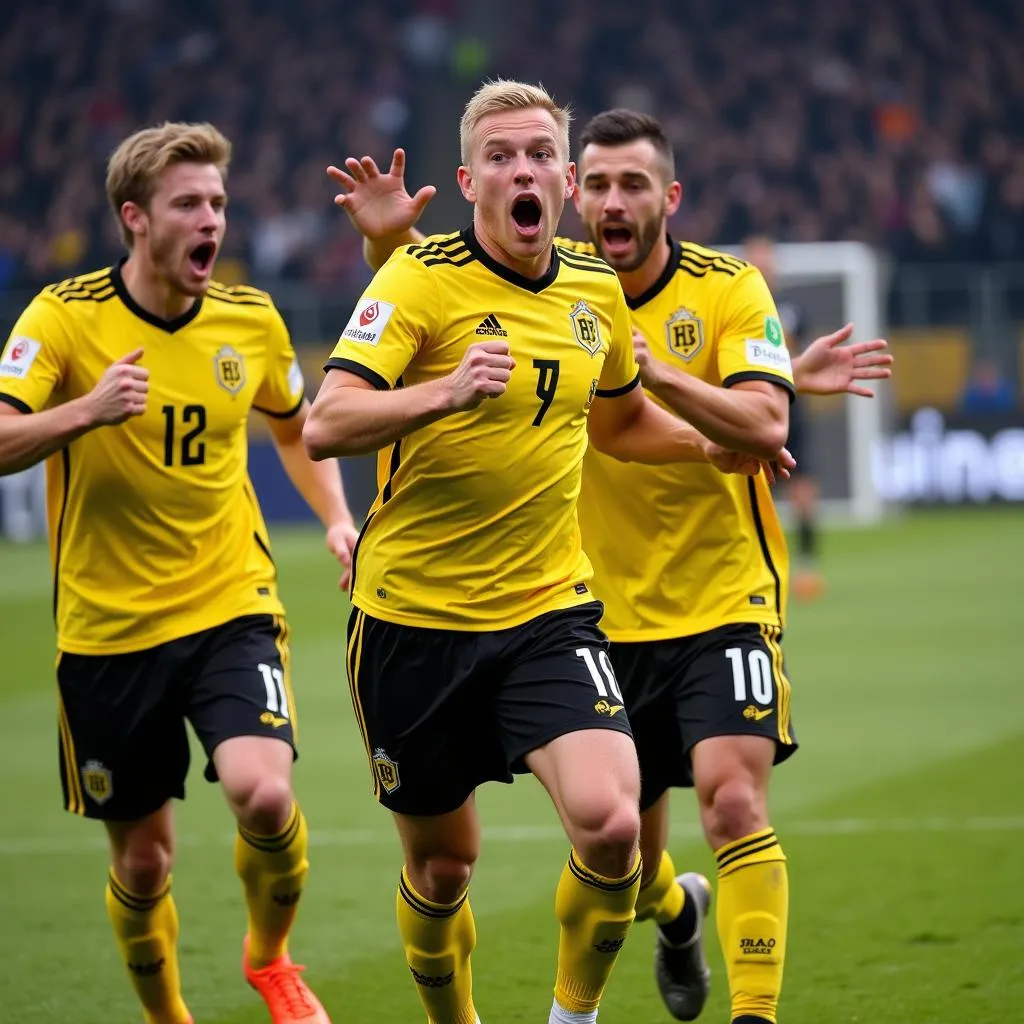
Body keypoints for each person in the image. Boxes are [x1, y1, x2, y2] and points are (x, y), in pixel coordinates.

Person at [329, 108, 891, 1024]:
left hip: (667, 602)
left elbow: (728, 423)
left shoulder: (701, 287)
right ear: (571, 196)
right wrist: (393, 247)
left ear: (667, 196)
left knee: (697, 810)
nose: (608, 199)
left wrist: (720, 403)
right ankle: (674, 912)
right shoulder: (522, 280)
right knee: (481, 867)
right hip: (507, 607)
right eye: (596, 182)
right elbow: (427, 313)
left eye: (627, 182)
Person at [0, 122, 360, 1024]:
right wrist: (83, 411)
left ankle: (270, 958)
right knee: (144, 863)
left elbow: (295, 423)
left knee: (265, 793)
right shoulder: (63, 318)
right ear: (136, 218)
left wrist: (337, 518)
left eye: (219, 204)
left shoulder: (250, 318)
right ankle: (169, 1018)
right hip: (107, 631)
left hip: (229, 602)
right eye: (190, 205)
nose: (213, 222)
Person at [742, 236, 823, 601]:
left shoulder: (790, 310)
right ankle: (758, 567)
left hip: (792, 412)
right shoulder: (735, 307)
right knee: (754, 493)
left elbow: (794, 356)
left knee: (804, 491)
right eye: (757, 262)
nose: (764, 269)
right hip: (749, 412)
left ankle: (807, 566)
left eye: (768, 262)